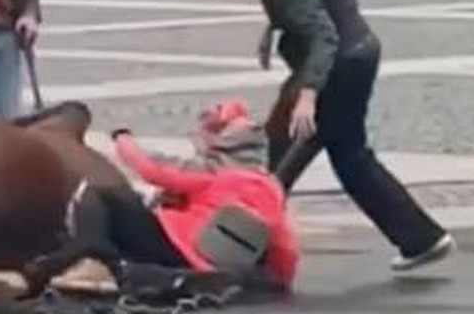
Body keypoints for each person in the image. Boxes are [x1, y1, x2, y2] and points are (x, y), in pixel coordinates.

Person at [204, 0, 455, 272]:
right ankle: (421, 238)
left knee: (282, 156)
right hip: (355, 56)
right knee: (350, 156)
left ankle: (251, 253)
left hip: (337, 66)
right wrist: (274, 31)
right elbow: (309, 12)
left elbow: (324, 35)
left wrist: (307, 96)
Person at [24, 100, 299, 296]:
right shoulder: (272, 189)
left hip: (173, 243)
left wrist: (122, 138)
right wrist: (279, 280)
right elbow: (284, 245)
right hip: (208, 262)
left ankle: (92, 256)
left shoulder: (218, 179)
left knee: (101, 194)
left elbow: (151, 171)